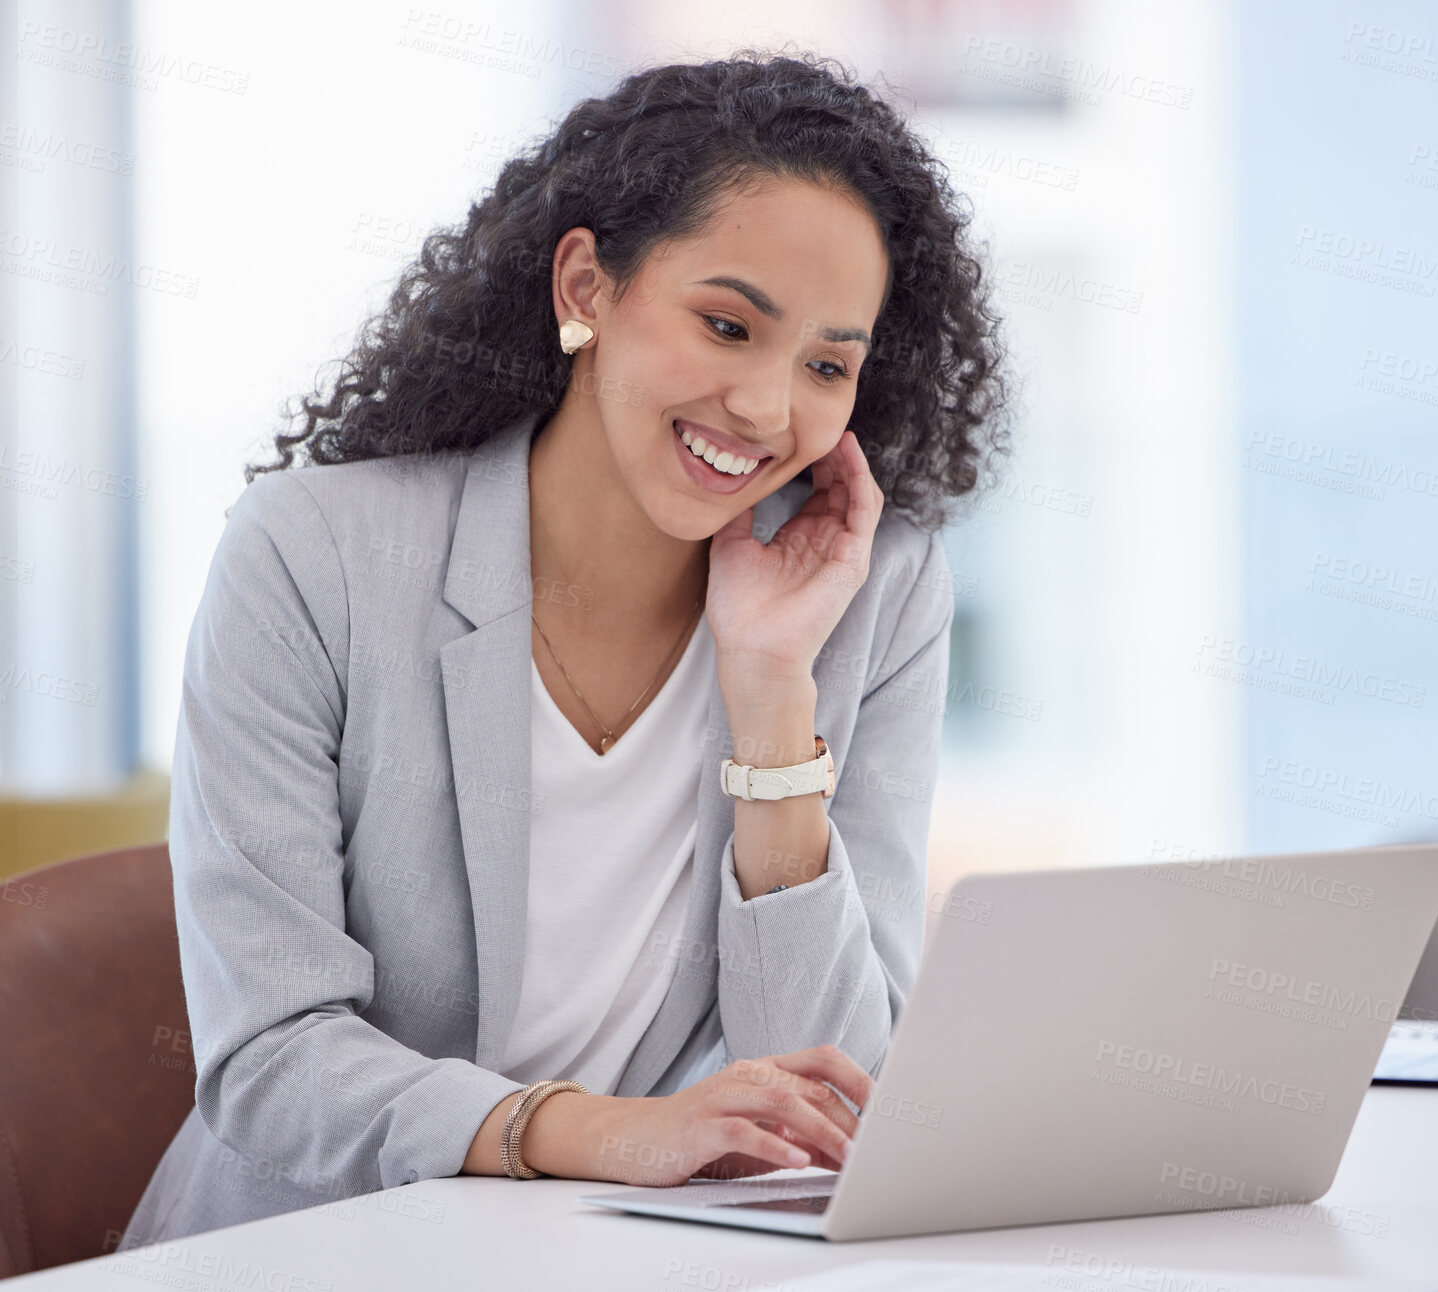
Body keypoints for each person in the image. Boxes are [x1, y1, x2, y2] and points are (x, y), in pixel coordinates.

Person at [120, 47, 1014, 1247]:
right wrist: (595, 1130)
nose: (764, 407)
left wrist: (765, 690)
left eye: (825, 365)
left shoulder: (870, 594)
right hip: (313, 1250)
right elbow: (269, 1058)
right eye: (725, 323)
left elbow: (838, 1085)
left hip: (634, 1257)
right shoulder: (313, 555)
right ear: (586, 286)